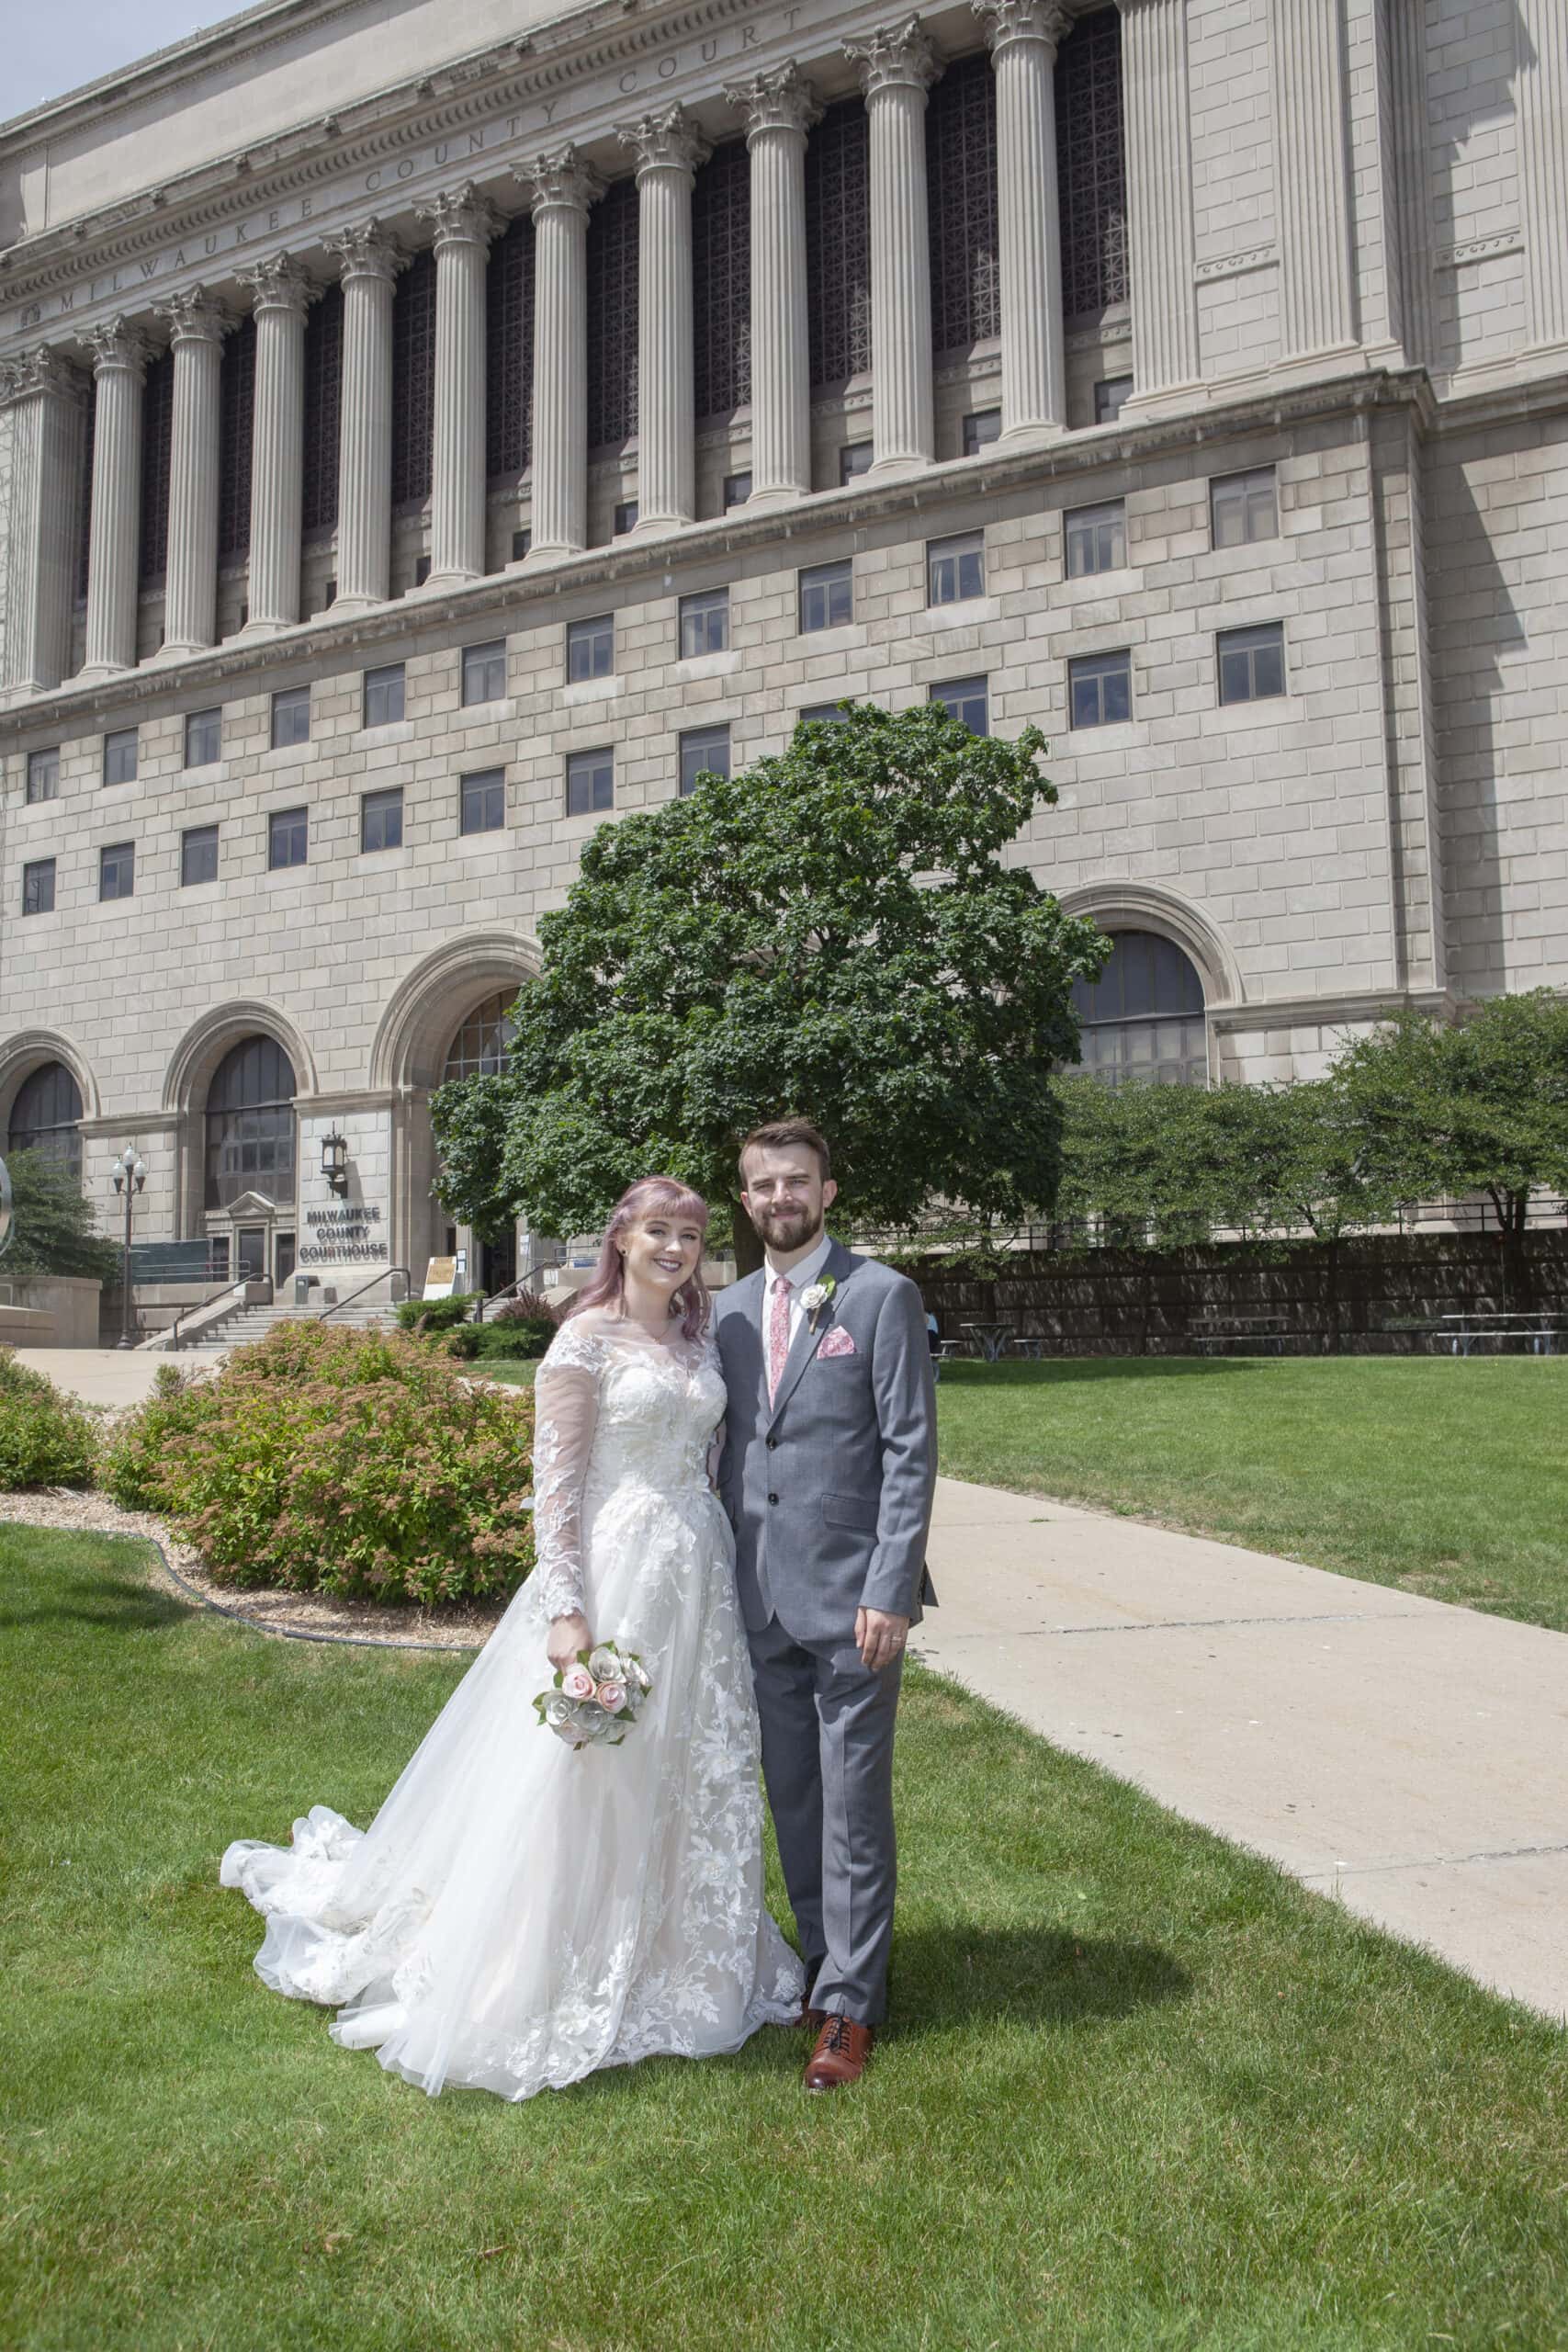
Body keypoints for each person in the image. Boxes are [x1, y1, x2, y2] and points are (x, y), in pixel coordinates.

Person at [220, 1178, 804, 2100]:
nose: (677, 1247)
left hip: (697, 1577)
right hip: (618, 1576)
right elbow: (558, 1486)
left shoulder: (695, 1338)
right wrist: (568, 1613)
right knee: (585, 1770)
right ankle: (537, 1959)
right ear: (621, 1237)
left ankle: (684, 1945)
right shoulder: (583, 1340)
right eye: (659, 1230)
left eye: (690, 1234)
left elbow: (711, 1461)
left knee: (689, 1761)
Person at [714, 1120, 938, 2092]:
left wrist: (890, 1586)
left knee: (851, 1806)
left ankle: (850, 2007)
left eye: (795, 1182)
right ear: (744, 1193)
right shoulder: (720, 1312)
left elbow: (909, 1449)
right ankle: (819, 1965)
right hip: (757, 1599)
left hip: (854, 1603)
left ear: (829, 1191)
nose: (779, 1198)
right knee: (794, 1796)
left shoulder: (881, 1296)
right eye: (763, 1184)